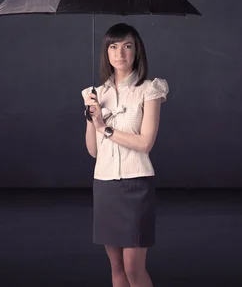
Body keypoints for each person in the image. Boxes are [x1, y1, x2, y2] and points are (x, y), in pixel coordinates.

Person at [81, 22, 169, 287]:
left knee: (133, 268)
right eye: (114, 46)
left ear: (137, 51)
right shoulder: (97, 94)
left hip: (136, 184)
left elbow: (145, 143)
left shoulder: (149, 89)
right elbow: (94, 151)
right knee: (116, 267)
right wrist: (91, 117)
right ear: (106, 53)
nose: (121, 53)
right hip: (105, 184)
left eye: (127, 46)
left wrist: (104, 128)